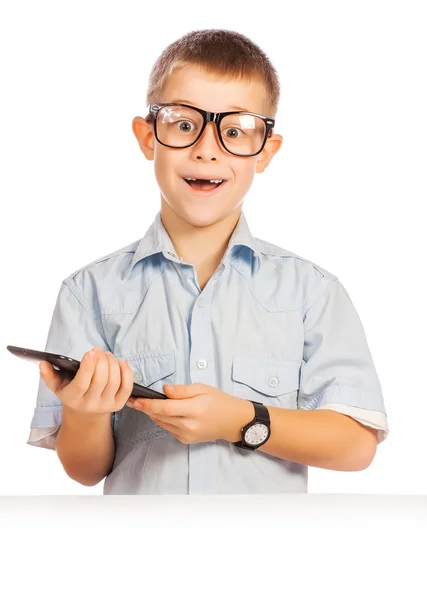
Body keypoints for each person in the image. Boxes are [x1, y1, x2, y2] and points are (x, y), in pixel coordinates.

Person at [28, 29, 389, 494]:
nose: (207, 147)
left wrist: (241, 420)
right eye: (183, 124)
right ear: (146, 137)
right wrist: (85, 409)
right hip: (140, 553)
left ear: (266, 152)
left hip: (271, 557)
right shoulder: (89, 292)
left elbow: (355, 445)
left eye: (235, 130)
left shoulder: (312, 291)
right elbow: (84, 468)